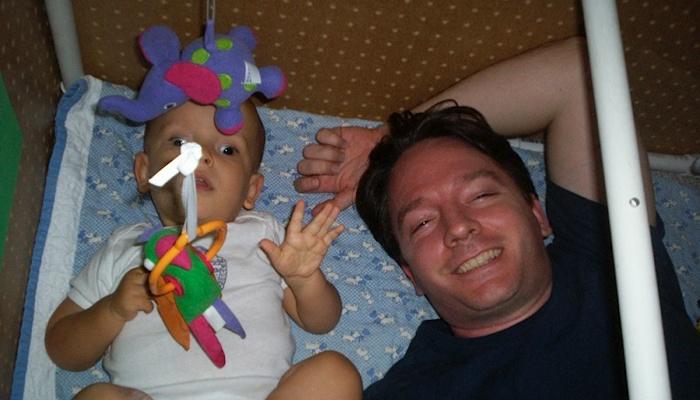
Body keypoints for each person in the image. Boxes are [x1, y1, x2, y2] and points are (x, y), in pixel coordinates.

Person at [295, 36, 700, 398]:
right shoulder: (418, 389)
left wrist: (387, 139)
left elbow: (578, 70)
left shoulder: (611, 262)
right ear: (411, 276)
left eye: (482, 195)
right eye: (422, 223)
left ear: (537, 214)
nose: (458, 227)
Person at [45, 100, 362, 400]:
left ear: (251, 190)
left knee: (335, 374)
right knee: (95, 396)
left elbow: (322, 322)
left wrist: (303, 279)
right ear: (144, 172)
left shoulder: (262, 234)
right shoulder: (127, 245)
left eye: (227, 149)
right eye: (179, 143)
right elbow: (61, 348)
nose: (199, 155)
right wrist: (112, 310)